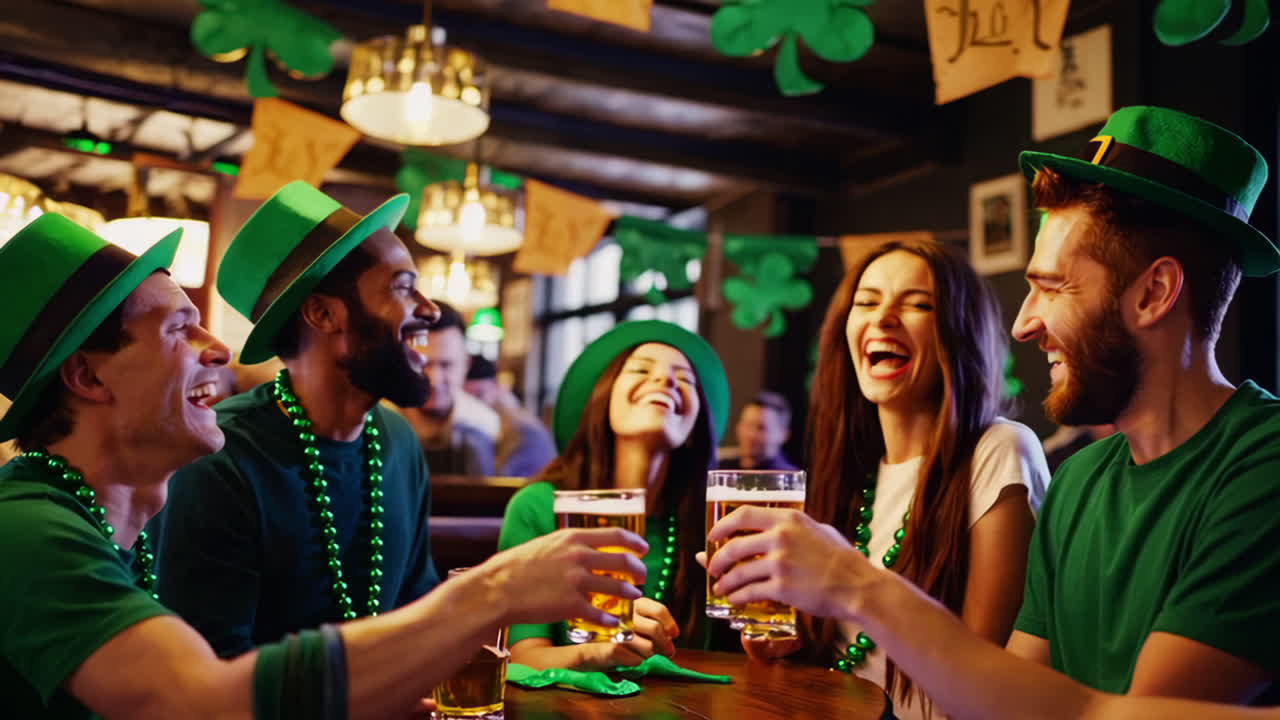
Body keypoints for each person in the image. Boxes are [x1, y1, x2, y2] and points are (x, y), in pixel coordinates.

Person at [709, 106, 1280, 710]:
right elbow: (1005, 699)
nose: (1023, 322)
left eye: (1054, 287)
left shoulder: (1261, 468)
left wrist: (855, 586)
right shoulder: (1081, 480)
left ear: (1154, 293)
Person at [0, 212, 648, 720]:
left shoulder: (108, 526)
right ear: (86, 375)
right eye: (178, 329)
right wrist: (493, 591)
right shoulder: (25, 531)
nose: (222, 350)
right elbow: (200, 702)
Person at [153, 182, 436, 655]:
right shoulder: (220, 460)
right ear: (323, 313)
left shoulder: (398, 441)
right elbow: (211, 677)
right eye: (403, 288)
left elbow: (419, 615)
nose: (430, 309)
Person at [791, 238, 1048, 720]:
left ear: (957, 333)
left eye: (917, 304)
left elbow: (983, 675)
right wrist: (788, 648)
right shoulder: (850, 473)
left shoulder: (998, 450)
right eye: (866, 301)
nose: (883, 317)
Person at [498, 320, 734, 670]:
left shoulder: (714, 523)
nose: (666, 381)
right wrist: (600, 650)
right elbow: (522, 656)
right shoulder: (539, 507)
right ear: (603, 399)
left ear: (693, 428)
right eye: (641, 369)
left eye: (684, 379)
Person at [398, 301, 498, 476]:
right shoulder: (377, 422)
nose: (434, 380)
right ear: (403, 361)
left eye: (446, 365)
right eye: (423, 364)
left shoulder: (487, 426)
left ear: (466, 365)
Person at [465, 354, 557, 476]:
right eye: (467, 398)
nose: (473, 404)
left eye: (479, 394)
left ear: (496, 388)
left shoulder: (523, 430)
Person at [718, 391, 799, 471]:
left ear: (784, 435)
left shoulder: (787, 478)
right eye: (747, 425)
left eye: (761, 428)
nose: (751, 435)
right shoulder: (721, 469)